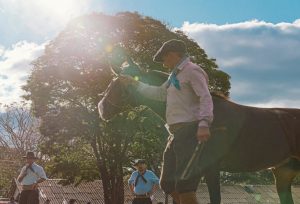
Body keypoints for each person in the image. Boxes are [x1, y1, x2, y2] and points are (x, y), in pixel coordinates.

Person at [121, 39, 213, 204]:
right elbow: (159, 94)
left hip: (189, 131)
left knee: (185, 185)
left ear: (172, 55)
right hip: (175, 134)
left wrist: (204, 123)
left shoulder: (193, 71)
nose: (164, 64)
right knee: (167, 183)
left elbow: (205, 97)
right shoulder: (174, 77)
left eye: (164, 59)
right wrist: (135, 83)